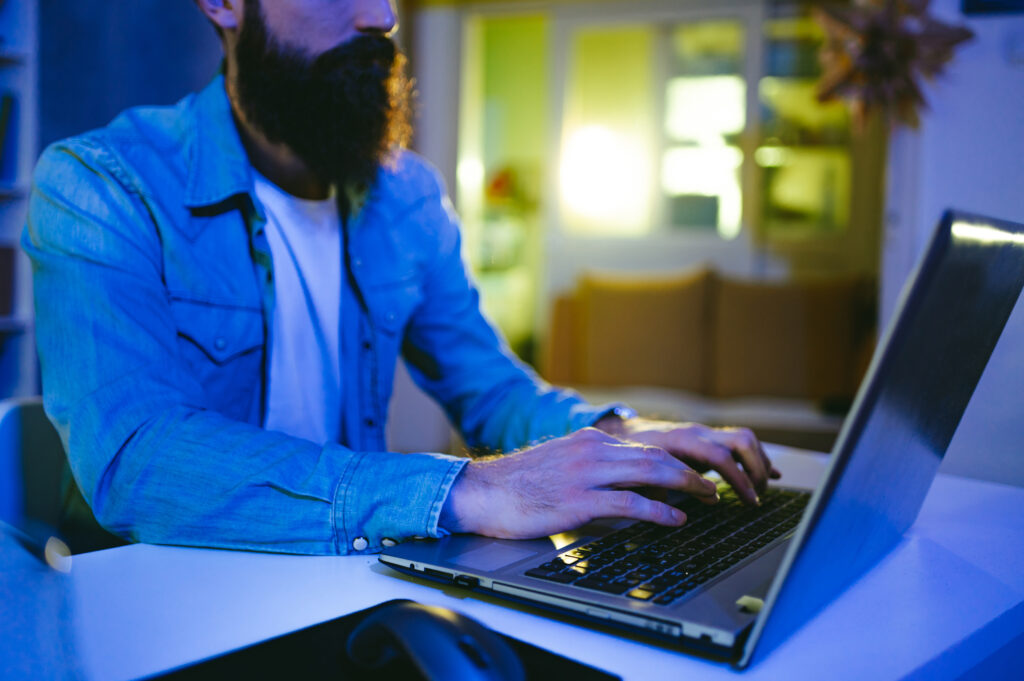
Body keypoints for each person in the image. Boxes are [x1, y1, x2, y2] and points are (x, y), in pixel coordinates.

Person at [23, 0, 778, 555]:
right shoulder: (100, 187)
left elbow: (491, 390)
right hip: (166, 607)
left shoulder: (407, 196)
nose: (382, 15)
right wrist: (465, 489)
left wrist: (618, 436)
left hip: (344, 585)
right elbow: (136, 458)